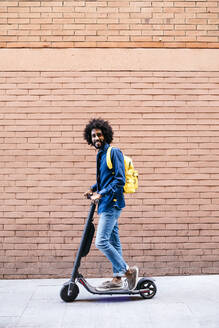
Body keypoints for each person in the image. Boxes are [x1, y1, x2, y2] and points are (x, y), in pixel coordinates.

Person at [83, 118, 138, 290]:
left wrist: (101, 193)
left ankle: (127, 272)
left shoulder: (113, 152)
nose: (96, 138)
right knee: (114, 241)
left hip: (112, 203)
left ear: (105, 135)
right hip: (105, 203)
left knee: (101, 241)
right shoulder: (100, 155)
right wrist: (93, 189)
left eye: (99, 134)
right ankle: (117, 279)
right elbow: (105, 180)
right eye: (93, 135)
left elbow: (119, 180)